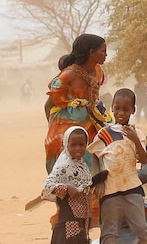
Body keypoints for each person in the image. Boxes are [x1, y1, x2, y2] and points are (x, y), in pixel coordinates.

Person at [88, 88, 147, 244]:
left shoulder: (137, 133)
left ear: (133, 110)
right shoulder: (104, 134)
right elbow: (95, 156)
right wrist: (98, 180)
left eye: (126, 109)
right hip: (111, 192)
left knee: (142, 231)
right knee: (109, 234)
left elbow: (144, 159)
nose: (121, 112)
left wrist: (135, 139)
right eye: (117, 108)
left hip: (132, 189)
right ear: (112, 109)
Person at [44, 34, 111, 173]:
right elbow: (48, 105)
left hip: (93, 121)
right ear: (91, 52)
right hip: (68, 126)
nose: (106, 54)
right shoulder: (68, 75)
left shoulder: (98, 71)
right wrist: (53, 132)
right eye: (103, 51)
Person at [43, 126, 96, 244]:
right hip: (70, 214)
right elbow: (49, 186)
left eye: (82, 144)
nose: (78, 149)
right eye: (73, 145)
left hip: (82, 213)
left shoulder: (80, 164)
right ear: (66, 144)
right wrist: (67, 188)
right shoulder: (64, 165)